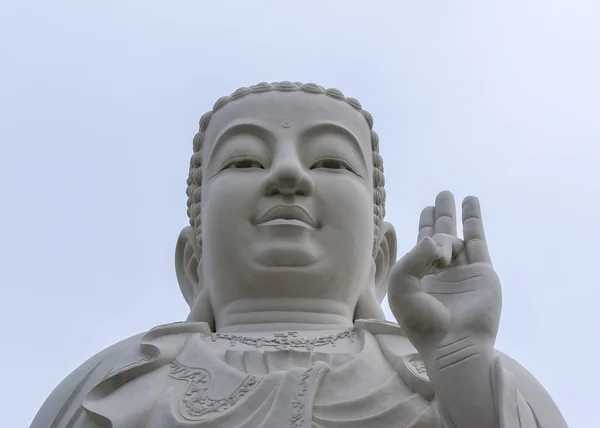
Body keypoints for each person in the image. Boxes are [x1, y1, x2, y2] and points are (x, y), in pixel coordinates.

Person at [30, 82, 567, 428]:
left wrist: (461, 374)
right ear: (194, 260)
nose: (288, 174)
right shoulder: (109, 386)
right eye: (243, 162)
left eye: (332, 163)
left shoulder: (458, 378)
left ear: (378, 258)